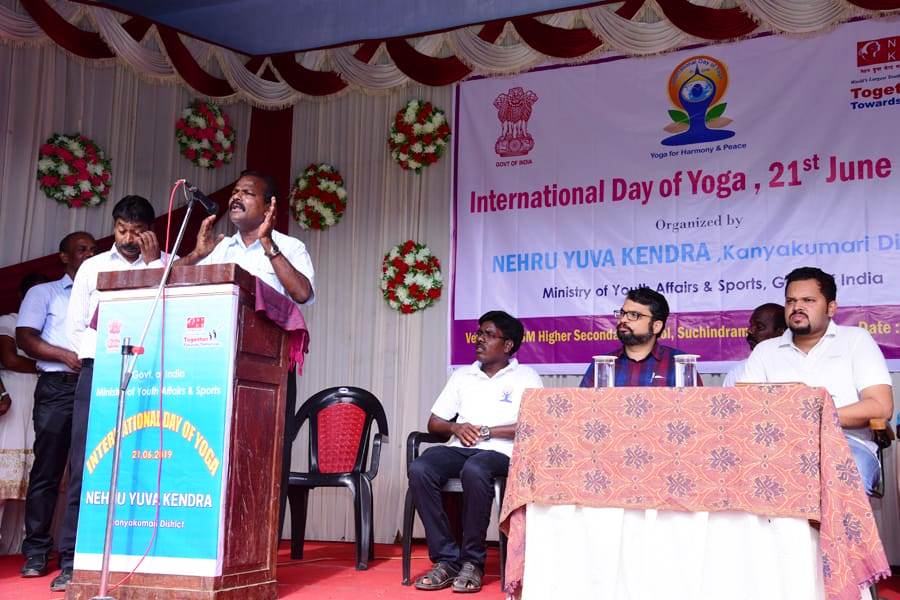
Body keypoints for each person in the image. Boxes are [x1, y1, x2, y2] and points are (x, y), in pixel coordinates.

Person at [176, 170, 315, 539]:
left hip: (268, 370)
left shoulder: (290, 247)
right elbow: (168, 283)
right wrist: (197, 255)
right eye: (235, 191)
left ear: (269, 206)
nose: (236, 197)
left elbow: (302, 294)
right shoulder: (219, 248)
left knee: (266, 454)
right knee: (212, 450)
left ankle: (263, 540)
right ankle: (210, 536)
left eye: (247, 193)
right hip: (214, 366)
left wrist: (269, 245)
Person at [55, 196, 168, 591]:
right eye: (122, 230)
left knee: (145, 459)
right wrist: (107, 352)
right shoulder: (93, 267)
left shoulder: (166, 264)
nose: (128, 239)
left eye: (137, 232)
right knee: (86, 463)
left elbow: (167, 316)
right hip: (98, 371)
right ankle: (71, 561)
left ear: (150, 231)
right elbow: (75, 328)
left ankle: (142, 555)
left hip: (151, 374)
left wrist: (153, 267)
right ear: (114, 227)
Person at [409, 310, 542, 593]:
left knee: (477, 468)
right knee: (421, 467)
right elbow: (434, 422)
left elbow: (534, 424)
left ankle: (472, 561)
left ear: (507, 345)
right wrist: (456, 427)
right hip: (461, 448)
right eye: (479, 333)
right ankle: (446, 559)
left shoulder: (526, 376)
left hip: (502, 453)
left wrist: (489, 432)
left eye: (488, 335)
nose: (479, 339)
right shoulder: (463, 375)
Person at [740, 266, 893, 495]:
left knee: (842, 479)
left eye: (808, 300)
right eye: (791, 301)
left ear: (831, 308)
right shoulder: (765, 351)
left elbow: (880, 407)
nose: (797, 307)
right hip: (778, 449)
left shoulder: (855, 340)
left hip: (845, 445)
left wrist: (814, 416)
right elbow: (745, 409)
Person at [16, 232, 96, 576]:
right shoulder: (44, 292)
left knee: (84, 470)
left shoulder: (101, 291)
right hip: (57, 386)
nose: (88, 254)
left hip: (92, 385)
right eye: (81, 250)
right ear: (63, 256)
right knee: (47, 471)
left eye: (93, 250)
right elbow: (25, 338)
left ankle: (74, 554)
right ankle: (36, 551)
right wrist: (64, 355)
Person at [0, 274, 48, 555]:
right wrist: (46, 364)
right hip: (14, 401)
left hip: (39, 400)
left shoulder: (49, 326)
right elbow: (9, 359)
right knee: (4, 476)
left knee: (33, 480)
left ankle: (20, 547)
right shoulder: (9, 321)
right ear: (22, 296)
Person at [579, 287, 700, 387]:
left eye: (633, 315)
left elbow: (697, 406)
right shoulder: (603, 364)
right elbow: (583, 406)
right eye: (622, 313)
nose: (623, 319)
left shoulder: (680, 364)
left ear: (656, 326)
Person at [722, 302, 786, 387]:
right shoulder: (737, 372)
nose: (750, 331)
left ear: (781, 332)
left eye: (759, 327)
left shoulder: (795, 365)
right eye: (751, 326)